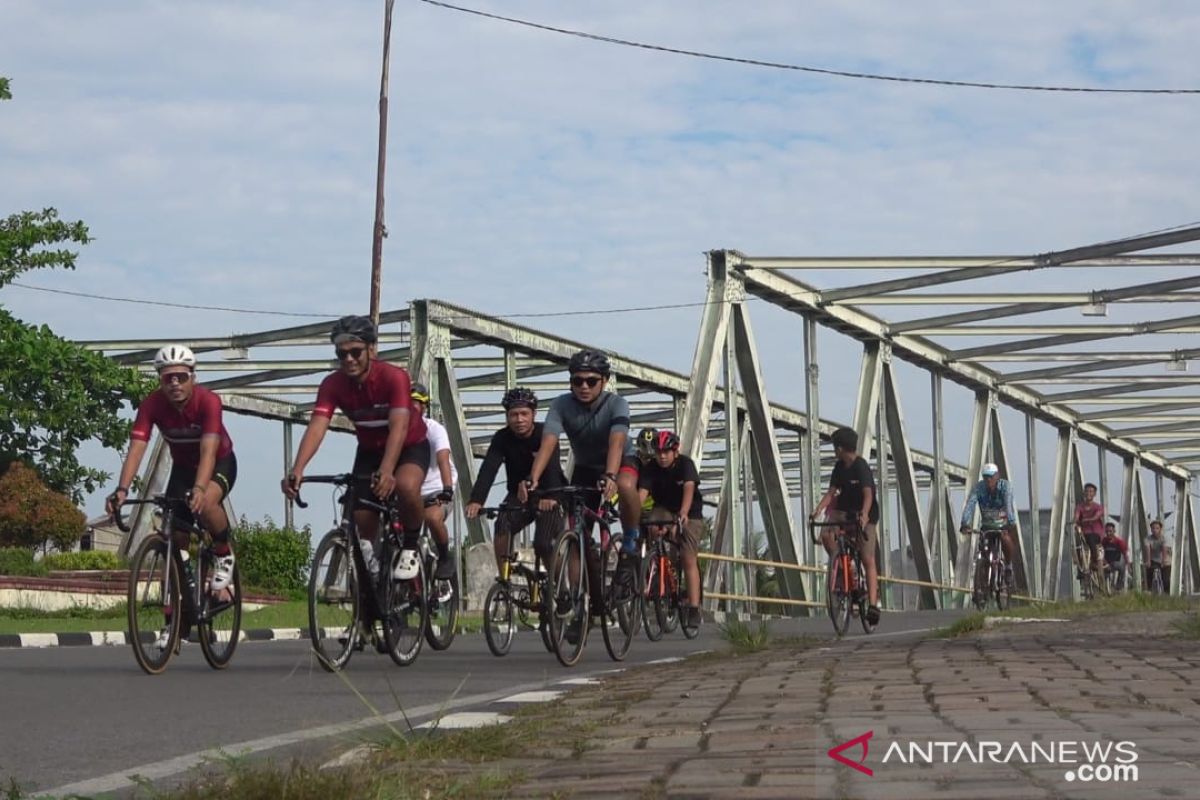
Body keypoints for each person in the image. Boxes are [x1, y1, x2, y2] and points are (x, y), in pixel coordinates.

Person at [105, 344, 237, 649]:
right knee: (173, 542)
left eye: (180, 377)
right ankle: (177, 617)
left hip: (218, 462)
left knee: (207, 507)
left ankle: (223, 552)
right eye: (168, 379)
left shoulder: (209, 401)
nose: (174, 384)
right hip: (182, 469)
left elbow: (208, 451)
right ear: (160, 381)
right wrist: (122, 489)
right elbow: (137, 448)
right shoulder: (151, 405)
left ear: (193, 376)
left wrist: (202, 489)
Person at [281, 315, 429, 581]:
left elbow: (399, 426)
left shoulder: (394, 377)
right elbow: (318, 425)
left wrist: (387, 470)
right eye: (341, 354)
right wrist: (298, 468)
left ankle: (410, 545)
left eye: (355, 352)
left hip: (408, 444)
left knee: (406, 486)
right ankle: (373, 575)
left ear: (372, 349)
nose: (348, 359)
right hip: (370, 449)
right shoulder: (332, 384)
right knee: (362, 514)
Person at [523, 349, 640, 642]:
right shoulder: (561, 405)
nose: (584, 387)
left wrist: (611, 476)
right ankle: (580, 606)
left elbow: (616, 442)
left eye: (591, 381)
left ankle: (629, 540)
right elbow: (548, 442)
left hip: (619, 462)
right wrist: (532, 478)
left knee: (626, 486)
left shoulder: (617, 404)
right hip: (585, 468)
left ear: (604, 381)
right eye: (577, 381)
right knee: (575, 536)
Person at [465, 387, 565, 572]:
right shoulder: (502, 438)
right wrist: (476, 500)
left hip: (549, 494)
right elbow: (488, 469)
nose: (519, 420)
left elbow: (552, 468)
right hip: (519, 496)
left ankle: (559, 590)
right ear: (507, 416)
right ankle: (504, 578)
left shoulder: (546, 435)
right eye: (513, 415)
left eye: (524, 414)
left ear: (534, 414)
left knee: (543, 544)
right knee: (502, 525)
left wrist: (551, 496)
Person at [811, 427, 881, 626]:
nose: (835, 451)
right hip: (844, 510)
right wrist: (817, 510)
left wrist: (865, 515)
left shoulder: (861, 467)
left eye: (835, 447)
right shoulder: (839, 467)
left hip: (863, 512)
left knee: (867, 558)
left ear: (840, 448)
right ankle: (843, 566)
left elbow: (869, 494)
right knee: (826, 535)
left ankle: (873, 605)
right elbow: (831, 493)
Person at [636, 430, 703, 628]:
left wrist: (683, 514)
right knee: (653, 526)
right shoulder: (650, 468)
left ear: (676, 451)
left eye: (666, 452)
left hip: (690, 512)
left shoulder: (685, 464)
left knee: (688, 557)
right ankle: (659, 565)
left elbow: (689, 489)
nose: (662, 456)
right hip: (664, 509)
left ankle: (693, 608)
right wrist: (633, 514)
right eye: (658, 452)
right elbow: (641, 495)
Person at [409, 382, 457, 580]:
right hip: (410, 493)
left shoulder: (434, 430)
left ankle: (446, 557)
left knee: (432, 518)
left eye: (415, 403)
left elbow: (443, 459)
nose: (410, 408)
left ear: (424, 407)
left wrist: (446, 489)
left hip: (436, 489)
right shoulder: (395, 429)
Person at [959, 462, 1018, 591]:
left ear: (997, 476)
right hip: (987, 526)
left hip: (1002, 525)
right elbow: (970, 504)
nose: (988, 480)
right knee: (983, 550)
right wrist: (964, 523)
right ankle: (982, 580)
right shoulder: (979, 488)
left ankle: (1008, 566)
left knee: (1006, 539)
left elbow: (1008, 504)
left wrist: (1011, 521)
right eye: (985, 477)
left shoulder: (1005, 487)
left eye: (991, 477)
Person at [1073, 483, 1106, 584]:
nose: (1088, 493)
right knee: (1076, 544)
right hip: (1084, 532)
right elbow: (1076, 516)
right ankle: (1080, 568)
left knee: (1091, 538)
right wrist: (1075, 521)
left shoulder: (1098, 507)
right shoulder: (1080, 506)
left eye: (1091, 491)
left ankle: (1095, 560)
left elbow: (1097, 516)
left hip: (1096, 532)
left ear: (1095, 494)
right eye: (1087, 491)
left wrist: (1088, 519)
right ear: (1084, 492)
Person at [1143, 518, 1172, 593]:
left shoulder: (1164, 538)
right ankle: (1149, 589)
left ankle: (1167, 593)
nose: (1155, 530)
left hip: (1166, 560)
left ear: (1160, 529)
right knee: (1148, 571)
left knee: (1166, 579)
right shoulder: (1148, 538)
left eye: (1157, 528)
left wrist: (1163, 561)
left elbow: (1164, 549)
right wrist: (1148, 561)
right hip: (1154, 560)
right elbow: (1147, 549)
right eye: (1153, 528)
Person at [1100, 521, 1128, 592]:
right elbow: (1100, 553)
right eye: (1107, 531)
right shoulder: (1104, 541)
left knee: (1122, 568)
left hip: (1115, 562)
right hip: (1106, 562)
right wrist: (1105, 563)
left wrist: (1127, 564)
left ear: (1114, 531)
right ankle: (1102, 588)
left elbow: (1125, 553)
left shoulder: (1119, 542)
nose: (1108, 533)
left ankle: (1119, 587)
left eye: (1110, 531)